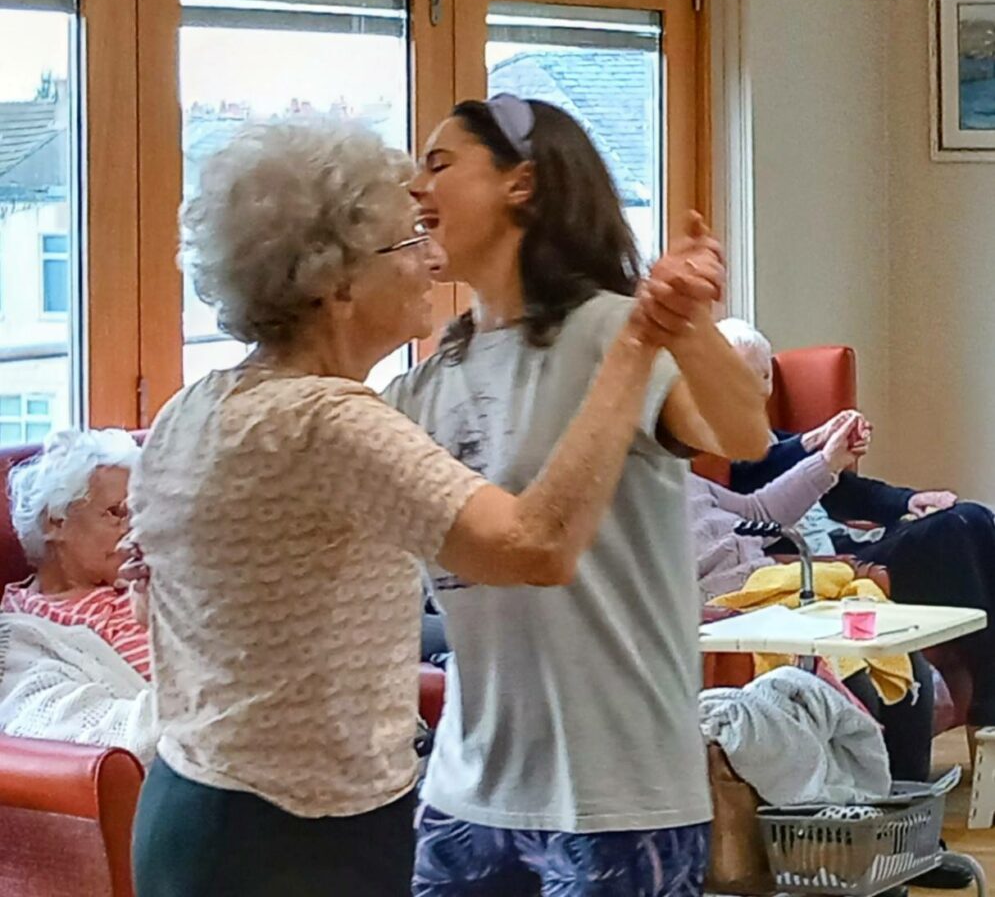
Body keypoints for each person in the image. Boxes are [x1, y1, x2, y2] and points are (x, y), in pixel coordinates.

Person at [126, 117, 718, 897]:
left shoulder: (196, 406)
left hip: (190, 808)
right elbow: (535, 546)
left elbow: (152, 586)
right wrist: (637, 341)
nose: (431, 260)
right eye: (406, 243)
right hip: (295, 837)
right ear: (334, 283)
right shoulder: (330, 421)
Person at [384, 94, 770, 897]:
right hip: (465, 788)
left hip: (616, 793)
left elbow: (744, 437)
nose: (415, 187)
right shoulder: (418, 385)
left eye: (440, 163)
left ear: (521, 184)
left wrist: (682, 318)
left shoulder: (612, 330)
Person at [717, 317, 995, 736]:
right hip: (818, 566)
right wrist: (812, 447)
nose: (758, 389)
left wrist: (908, 501)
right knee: (956, 529)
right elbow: (752, 486)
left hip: (850, 544)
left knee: (973, 518)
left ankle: (990, 698)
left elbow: (849, 492)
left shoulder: (774, 440)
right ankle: (990, 702)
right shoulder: (712, 450)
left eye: (763, 376)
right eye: (743, 376)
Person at [2, 429, 150, 678]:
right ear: (55, 521)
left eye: (139, 513)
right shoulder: (22, 623)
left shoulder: (148, 585)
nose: (134, 529)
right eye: (117, 512)